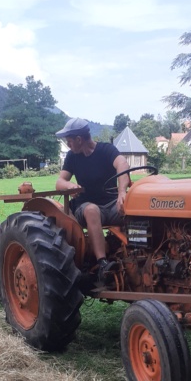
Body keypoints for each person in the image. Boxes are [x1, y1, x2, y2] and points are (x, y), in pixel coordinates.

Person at [55, 117, 130, 286]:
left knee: (134, 209)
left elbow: (122, 164)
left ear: (79, 140)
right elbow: (60, 182)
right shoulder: (72, 157)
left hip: (111, 205)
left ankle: (135, 256)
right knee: (92, 210)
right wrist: (70, 185)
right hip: (84, 206)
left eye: (69, 141)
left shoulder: (106, 150)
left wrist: (122, 192)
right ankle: (103, 264)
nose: (68, 145)